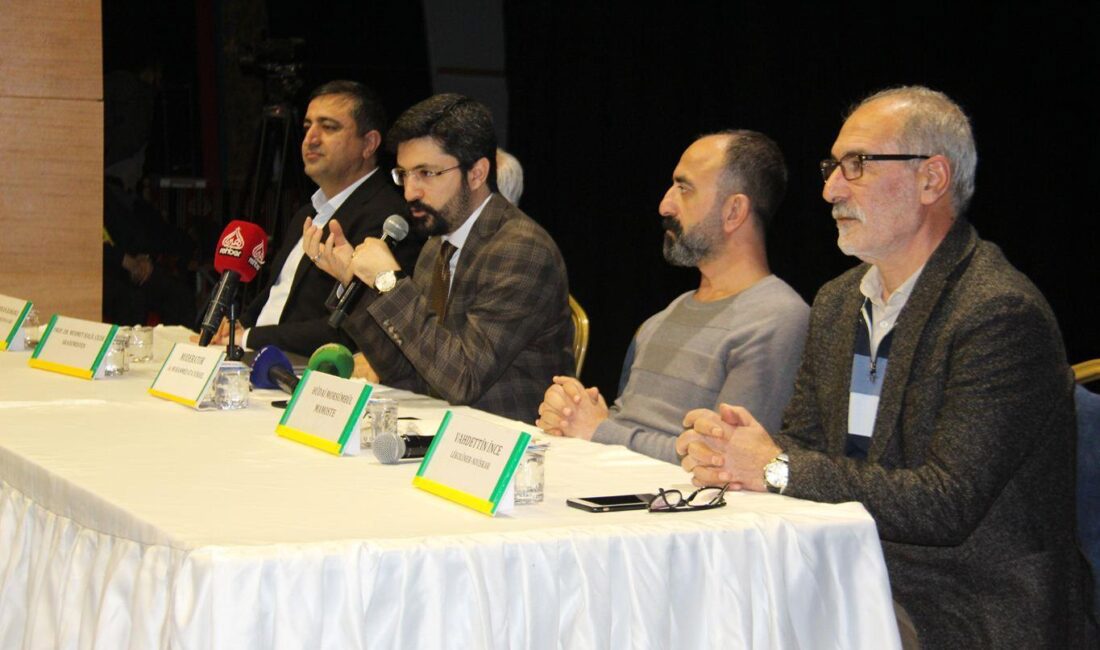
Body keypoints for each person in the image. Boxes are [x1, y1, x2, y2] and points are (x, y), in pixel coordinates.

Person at [677, 87, 1089, 648]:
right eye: (832, 167)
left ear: (931, 179)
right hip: (852, 564)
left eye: (858, 164)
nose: (830, 189)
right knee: (695, 602)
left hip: (965, 598)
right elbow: (804, 444)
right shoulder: (838, 302)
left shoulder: (997, 312)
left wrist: (775, 468)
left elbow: (945, 502)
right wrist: (736, 452)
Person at [535, 131, 808, 464]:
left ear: (734, 211)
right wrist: (571, 413)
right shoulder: (664, 317)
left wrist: (598, 430)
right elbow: (621, 422)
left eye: (684, 188)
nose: (665, 205)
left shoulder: (777, 319)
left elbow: (723, 460)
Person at [305, 94, 572, 422]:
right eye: (403, 174)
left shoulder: (521, 249)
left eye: (426, 173)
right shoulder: (436, 247)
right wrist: (355, 283)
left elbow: (463, 380)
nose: (410, 192)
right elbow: (407, 372)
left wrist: (389, 283)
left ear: (476, 174)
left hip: (503, 439)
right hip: (443, 428)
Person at [206, 80, 421, 356]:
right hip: (256, 357)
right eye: (307, 126)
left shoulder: (389, 220)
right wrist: (238, 325)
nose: (311, 138)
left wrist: (247, 337)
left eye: (329, 127)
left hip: (313, 369)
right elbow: (275, 295)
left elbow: (351, 328)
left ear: (368, 144)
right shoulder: (306, 213)